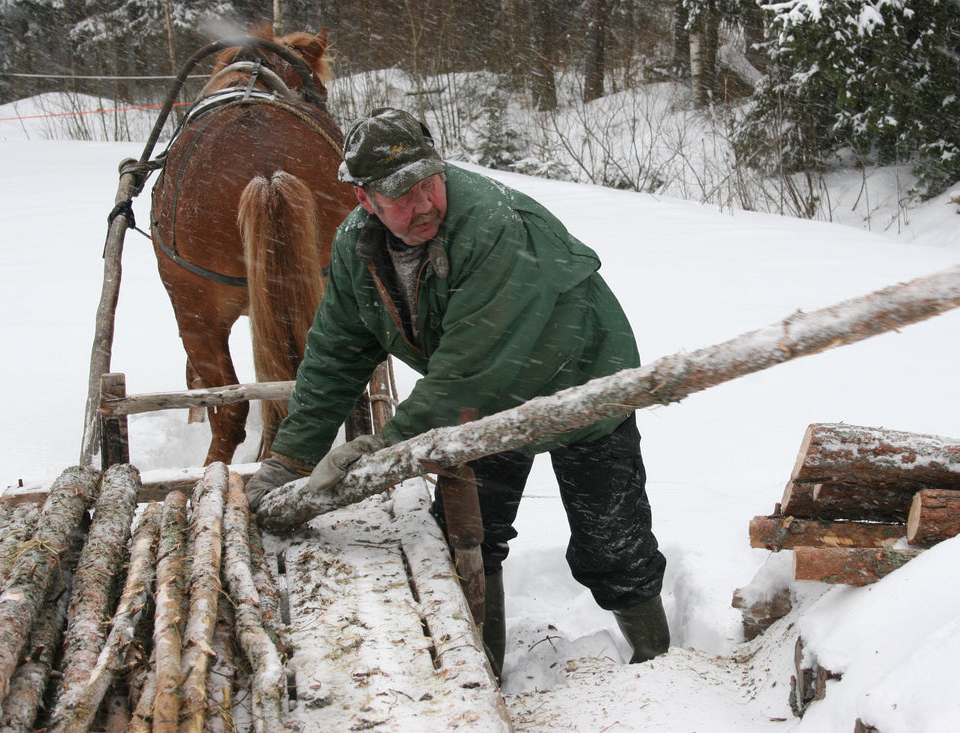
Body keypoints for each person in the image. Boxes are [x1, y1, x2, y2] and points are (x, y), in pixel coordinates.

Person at [245, 107, 669, 678]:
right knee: (468, 534)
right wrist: (291, 458)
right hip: (478, 405)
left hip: (580, 380)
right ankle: (482, 673)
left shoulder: (493, 224)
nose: (422, 204)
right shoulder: (356, 247)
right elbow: (337, 351)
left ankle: (659, 667)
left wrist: (384, 448)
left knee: (612, 543)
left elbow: (474, 369)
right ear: (363, 198)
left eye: (429, 183)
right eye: (401, 195)